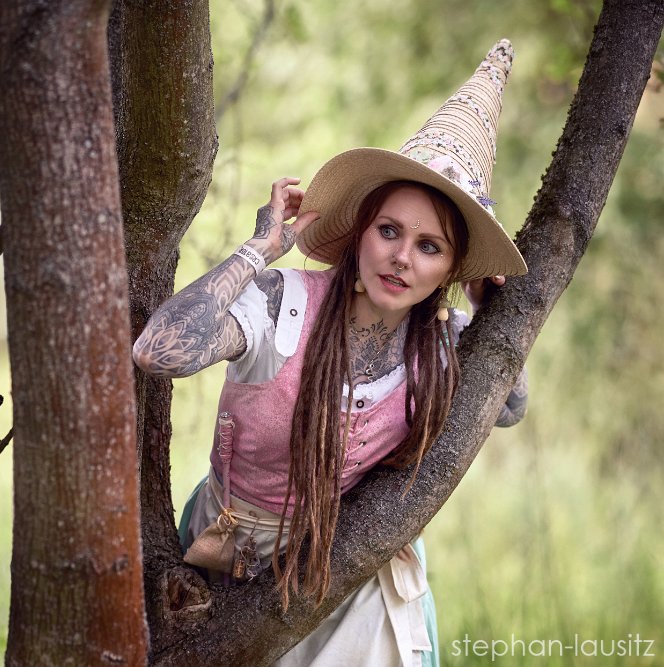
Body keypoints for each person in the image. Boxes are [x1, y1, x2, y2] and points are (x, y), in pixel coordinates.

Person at [132, 39, 529, 667]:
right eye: (389, 231)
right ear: (360, 232)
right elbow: (157, 353)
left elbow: (509, 407)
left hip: (346, 565)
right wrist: (259, 249)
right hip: (232, 557)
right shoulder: (282, 306)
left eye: (430, 247)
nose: (401, 257)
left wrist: (488, 312)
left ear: (452, 268)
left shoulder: (440, 343)